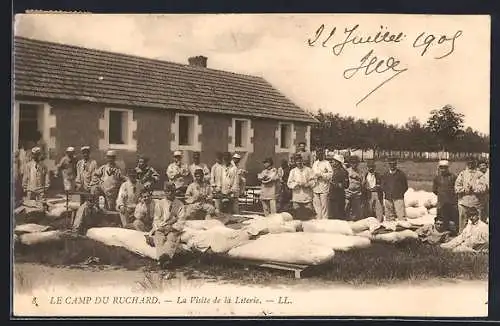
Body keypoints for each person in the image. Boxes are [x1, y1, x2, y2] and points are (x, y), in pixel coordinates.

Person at [146, 182, 186, 267]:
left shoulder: (180, 204)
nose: (170, 193)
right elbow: (156, 219)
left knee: (172, 238)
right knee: (159, 238)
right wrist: (161, 227)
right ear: (165, 192)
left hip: (173, 228)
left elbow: (181, 221)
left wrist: (171, 227)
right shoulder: (160, 203)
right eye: (167, 191)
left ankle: (166, 258)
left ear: (175, 191)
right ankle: (162, 258)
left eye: (172, 191)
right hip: (161, 227)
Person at [454, 157, 483, 232]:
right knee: (463, 223)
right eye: (469, 163)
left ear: (475, 164)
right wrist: (464, 190)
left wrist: (473, 188)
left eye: (472, 163)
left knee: (477, 223)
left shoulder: (480, 174)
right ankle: (462, 238)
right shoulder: (462, 173)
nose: (470, 165)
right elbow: (456, 187)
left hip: (476, 203)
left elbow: (483, 188)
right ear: (467, 164)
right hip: (463, 202)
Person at [432, 160, 459, 235]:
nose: (443, 170)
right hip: (441, 202)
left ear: (448, 168)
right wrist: (441, 195)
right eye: (441, 168)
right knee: (441, 218)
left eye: (445, 168)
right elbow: (434, 190)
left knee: (453, 218)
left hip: (452, 202)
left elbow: (457, 188)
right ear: (439, 168)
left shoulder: (453, 177)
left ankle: (454, 232)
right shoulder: (437, 178)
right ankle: (442, 232)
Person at [311, 149, 333, 219]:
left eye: (321, 153)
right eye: (318, 153)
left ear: (323, 154)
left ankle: (325, 221)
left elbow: (330, 174)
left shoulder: (327, 163)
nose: (319, 155)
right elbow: (312, 173)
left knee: (324, 206)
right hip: (315, 186)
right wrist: (314, 176)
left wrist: (322, 175)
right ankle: (319, 220)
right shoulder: (315, 163)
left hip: (324, 187)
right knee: (317, 206)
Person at [328, 153, 349, 220]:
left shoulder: (343, 171)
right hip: (332, 195)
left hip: (339, 196)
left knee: (339, 214)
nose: (332, 162)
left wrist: (335, 184)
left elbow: (346, 185)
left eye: (334, 161)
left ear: (338, 162)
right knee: (333, 214)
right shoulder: (334, 170)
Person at [345, 155, 364, 221]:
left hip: (357, 194)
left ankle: (355, 224)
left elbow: (362, 182)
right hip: (348, 193)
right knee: (346, 208)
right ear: (350, 163)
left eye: (355, 163)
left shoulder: (360, 172)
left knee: (356, 211)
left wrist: (357, 178)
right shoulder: (347, 171)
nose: (354, 164)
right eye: (352, 163)